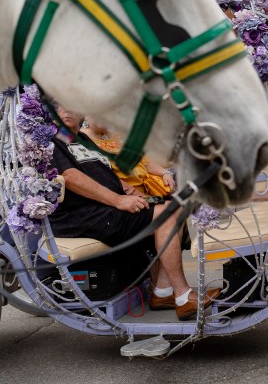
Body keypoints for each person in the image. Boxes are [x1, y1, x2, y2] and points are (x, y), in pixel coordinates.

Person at [49, 106, 219, 320]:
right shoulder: (54, 142)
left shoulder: (80, 140)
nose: (66, 110)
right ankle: (182, 295)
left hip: (104, 210)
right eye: (59, 105)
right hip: (85, 217)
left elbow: (103, 171)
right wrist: (118, 200)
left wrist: (127, 190)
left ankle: (164, 292)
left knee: (173, 209)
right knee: (167, 214)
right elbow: (72, 177)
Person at [82, 117, 175, 198]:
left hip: (152, 189)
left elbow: (144, 160)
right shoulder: (82, 140)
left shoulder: (118, 134)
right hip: (127, 197)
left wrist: (165, 173)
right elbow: (101, 178)